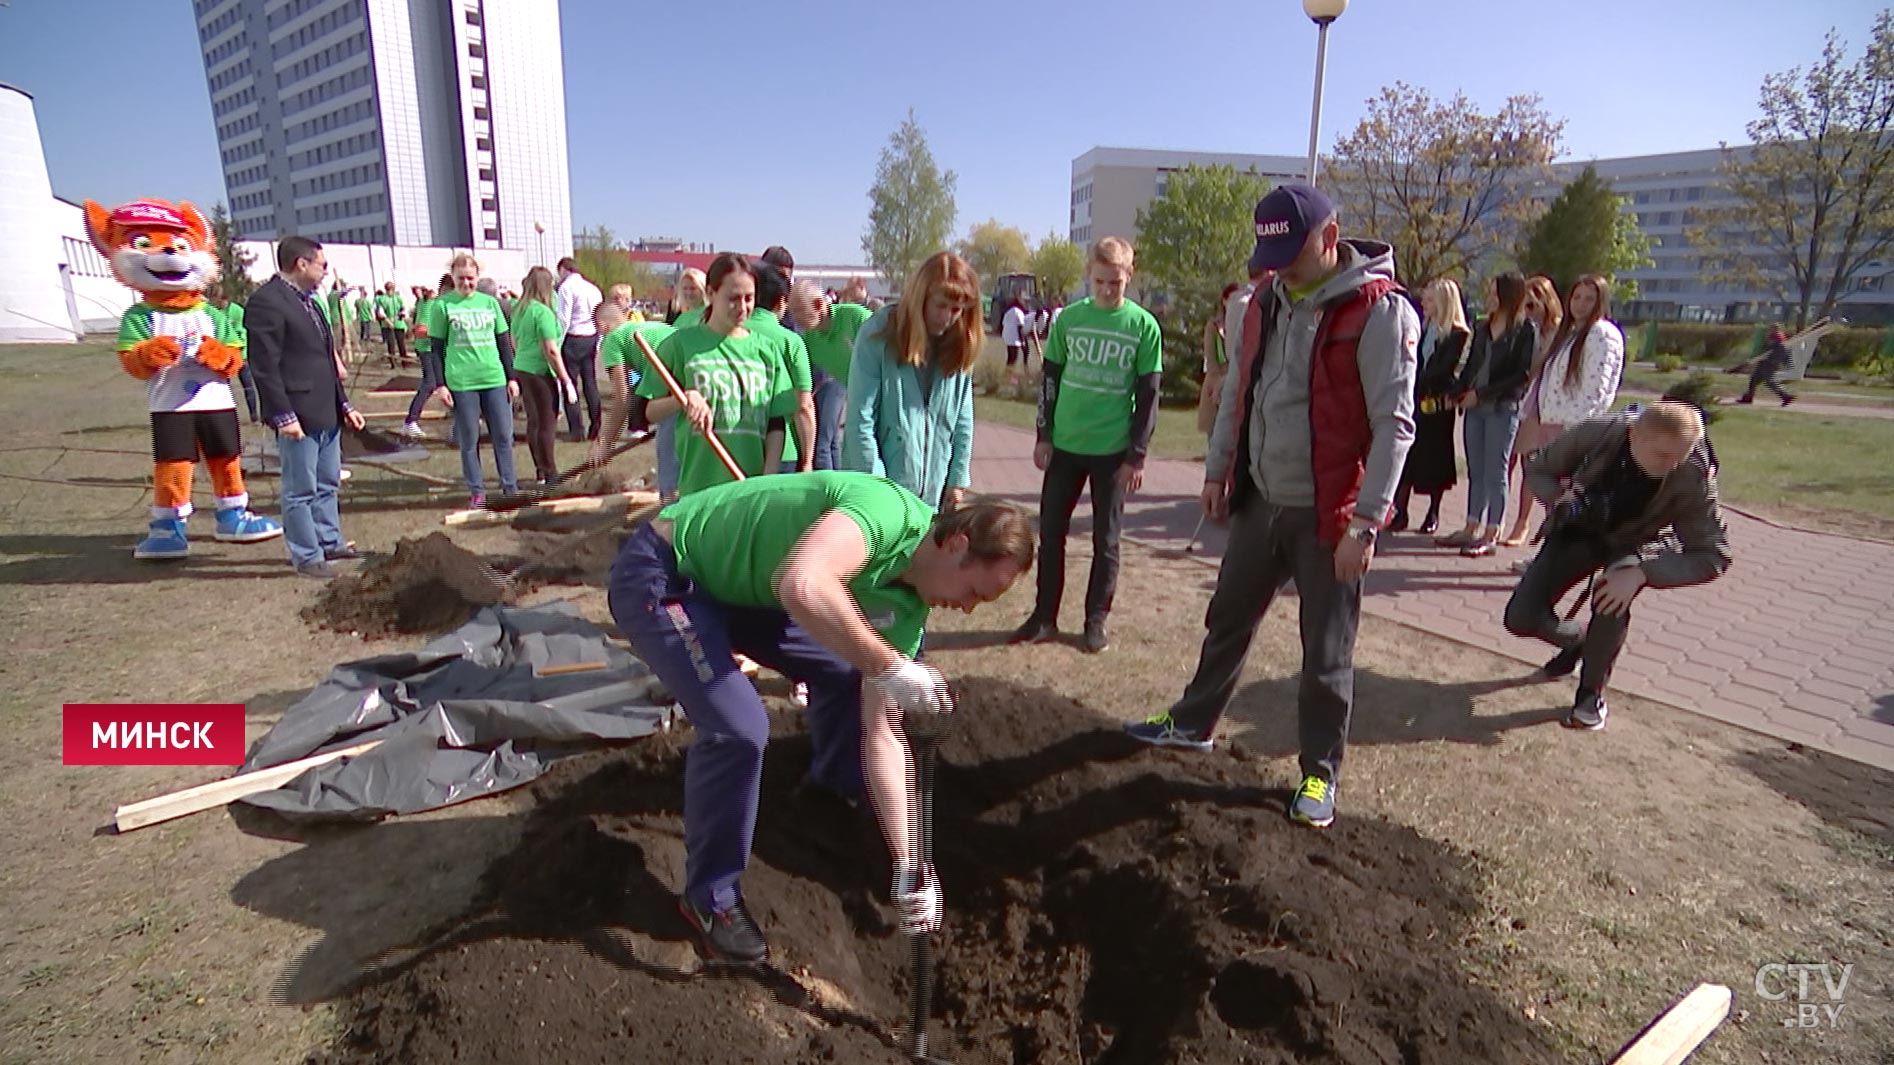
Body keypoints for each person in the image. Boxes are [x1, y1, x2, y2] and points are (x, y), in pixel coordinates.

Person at [608, 471, 1033, 961]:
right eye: (975, 593)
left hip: (746, 592)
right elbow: (802, 584)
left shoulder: (908, 612)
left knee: (851, 672)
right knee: (740, 728)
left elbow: (883, 735)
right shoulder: (884, 515)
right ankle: (710, 900)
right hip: (668, 574)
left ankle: (829, 790)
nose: (968, 610)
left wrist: (911, 864)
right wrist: (889, 665)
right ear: (957, 544)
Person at [1126, 184, 1417, 830]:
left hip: (1332, 514)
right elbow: (1237, 392)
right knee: (1226, 615)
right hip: (1261, 498)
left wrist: (1366, 524)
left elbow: (1395, 425)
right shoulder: (1261, 302)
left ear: (1331, 238)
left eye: (1292, 251)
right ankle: (1195, 719)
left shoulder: (1380, 312)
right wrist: (1217, 469)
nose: (1279, 266)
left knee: (1326, 651)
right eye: (1271, 251)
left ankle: (1318, 771)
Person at [1504, 401, 1730, 729]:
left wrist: (1642, 572)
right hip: (1579, 531)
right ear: (1634, 435)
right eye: (1662, 456)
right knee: (1520, 618)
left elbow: (1714, 554)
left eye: (1681, 455)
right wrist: (1557, 499)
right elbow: (1538, 468)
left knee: (1614, 594)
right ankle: (1579, 641)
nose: (1673, 465)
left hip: (1634, 546)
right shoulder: (1598, 433)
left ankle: (1590, 693)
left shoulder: (1695, 477)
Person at [1009, 236, 1163, 654]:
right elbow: (1050, 382)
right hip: (1065, 447)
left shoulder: (1143, 327)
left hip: (1112, 453)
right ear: (1088, 277)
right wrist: (1043, 435)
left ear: (1129, 277)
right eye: (1100, 281)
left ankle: (1096, 621)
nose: (1108, 290)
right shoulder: (1069, 320)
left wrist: (1137, 455)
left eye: (1116, 282)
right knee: (1052, 534)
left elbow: (1149, 396)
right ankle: (1044, 617)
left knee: (1105, 541)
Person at [244, 236, 366, 579]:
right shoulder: (267, 302)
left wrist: (344, 403)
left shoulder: (311, 302)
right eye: (322, 265)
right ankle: (306, 555)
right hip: (297, 414)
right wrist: (283, 415)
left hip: (326, 409)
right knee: (300, 489)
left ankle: (329, 541)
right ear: (301, 264)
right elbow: (264, 366)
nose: (325, 272)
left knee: (328, 482)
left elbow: (324, 359)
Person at [634, 252, 796, 497]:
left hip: (749, 488)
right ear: (710, 294)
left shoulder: (767, 351)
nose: (742, 308)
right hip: (698, 489)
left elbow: (776, 422)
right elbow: (645, 412)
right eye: (733, 298)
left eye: (749, 298)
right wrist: (683, 399)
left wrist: (767, 479)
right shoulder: (680, 345)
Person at [841, 250, 980, 511]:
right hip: (879, 495)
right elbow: (860, 420)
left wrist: (958, 479)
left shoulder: (959, 343)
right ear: (920, 298)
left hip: (933, 497)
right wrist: (878, 490)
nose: (948, 317)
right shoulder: (877, 335)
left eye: (957, 310)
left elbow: (963, 419)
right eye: (940, 306)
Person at [1438, 271, 1533, 557]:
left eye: (1494, 292)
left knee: (1496, 471)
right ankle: (1471, 526)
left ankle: (1492, 531)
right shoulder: (1481, 327)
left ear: (1508, 296)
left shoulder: (1524, 330)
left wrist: (1482, 394)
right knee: (1476, 469)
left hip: (1502, 408)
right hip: (1474, 408)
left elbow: (1522, 374)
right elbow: (1471, 367)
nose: (1489, 297)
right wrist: (1457, 391)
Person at [423, 253, 519, 507]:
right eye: (461, 278)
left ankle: (510, 487)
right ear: (453, 278)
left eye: (470, 278)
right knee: (469, 439)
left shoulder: (490, 304)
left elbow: (503, 343)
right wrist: (440, 384)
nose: (466, 283)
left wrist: (511, 377)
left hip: (493, 378)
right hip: (462, 382)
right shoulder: (443, 306)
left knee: (503, 436)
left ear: (478, 277)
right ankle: (477, 492)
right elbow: (436, 348)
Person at [1392, 279, 1470, 534]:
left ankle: (1433, 512)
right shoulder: (1423, 329)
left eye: (1429, 300)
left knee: (1435, 458)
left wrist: (1416, 377)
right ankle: (1400, 511)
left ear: (1443, 302)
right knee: (1408, 456)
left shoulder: (1458, 335)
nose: (1423, 304)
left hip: (1436, 405)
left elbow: (1445, 370)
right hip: (1414, 400)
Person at [1499, 276, 1566, 547]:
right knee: (1515, 463)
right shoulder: (1522, 327)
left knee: (1540, 466)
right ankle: (1509, 521)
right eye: (1527, 299)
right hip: (1522, 403)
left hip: (1545, 406)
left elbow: (1541, 366)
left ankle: (1534, 523)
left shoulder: (1558, 331)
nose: (1531, 304)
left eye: (1537, 297)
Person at [790, 279, 872, 471]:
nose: (795, 320)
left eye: (799, 312)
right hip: (856, 402)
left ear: (819, 304)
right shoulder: (808, 339)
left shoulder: (855, 317)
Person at [511, 266, 577, 486]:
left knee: (534, 421)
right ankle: (551, 472)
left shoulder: (519, 309)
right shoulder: (542, 312)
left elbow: (514, 342)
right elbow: (550, 349)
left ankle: (540, 469)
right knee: (547, 422)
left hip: (522, 367)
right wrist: (566, 380)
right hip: (540, 371)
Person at [746, 263, 816, 473]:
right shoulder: (790, 341)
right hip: (783, 449)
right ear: (781, 301)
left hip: (736, 444)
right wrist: (808, 459)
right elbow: (804, 406)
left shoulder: (730, 334)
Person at [401, 272, 455, 440]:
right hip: (428, 349)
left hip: (438, 350)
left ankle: (459, 416)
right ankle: (411, 421)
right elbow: (420, 329)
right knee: (430, 383)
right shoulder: (433, 304)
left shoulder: (439, 303)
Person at [555, 256, 604, 441]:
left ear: (563, 270)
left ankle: (576, 429)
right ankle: (596, 425)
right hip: (590, 337)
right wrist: (598, 342)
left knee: (570, 384)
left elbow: (564, 318)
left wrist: (558, 342)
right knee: (590, 383)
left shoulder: (566, 288)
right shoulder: (593, 288)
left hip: (573, 338)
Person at [1198, 283, 1241, 437]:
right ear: (1224, 300)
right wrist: (1217, 382)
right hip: (1216, 380)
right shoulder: (1214, 325)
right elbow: (1210, 356)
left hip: (1235, 379)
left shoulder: (1242, 321)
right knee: (1215, 430)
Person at [1738, 326, 1796, 406]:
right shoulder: (1780, 337)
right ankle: (1748, 397)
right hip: (1766, 362)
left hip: (1769, 363)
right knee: (1754, 380)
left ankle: (1786, 396)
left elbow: (1773, 349)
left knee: (1770, 382)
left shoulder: (1777, 337)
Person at [374, 281, 410, 367]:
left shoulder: (398, 298)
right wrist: (388, 321)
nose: (390, 291)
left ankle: (404, 362)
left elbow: (403, 309)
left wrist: (397, 317)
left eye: (391, 289)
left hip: (399, 324)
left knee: (401, 344)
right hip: (387, 324)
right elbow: (380, 312)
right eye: (388, 289)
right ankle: (393, 363)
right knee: (391, 344)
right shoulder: (381, 299)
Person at [1001, 294, 1031, 381]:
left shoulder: (1008, 312)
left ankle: (1006, 374)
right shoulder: (1018, 312)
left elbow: (1003, 324)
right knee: (1014, 357)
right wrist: (1022, 341)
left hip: (1007, 336)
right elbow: (1020, 326)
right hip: (1014, 337)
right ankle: (1010, 377)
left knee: (1010, 356)